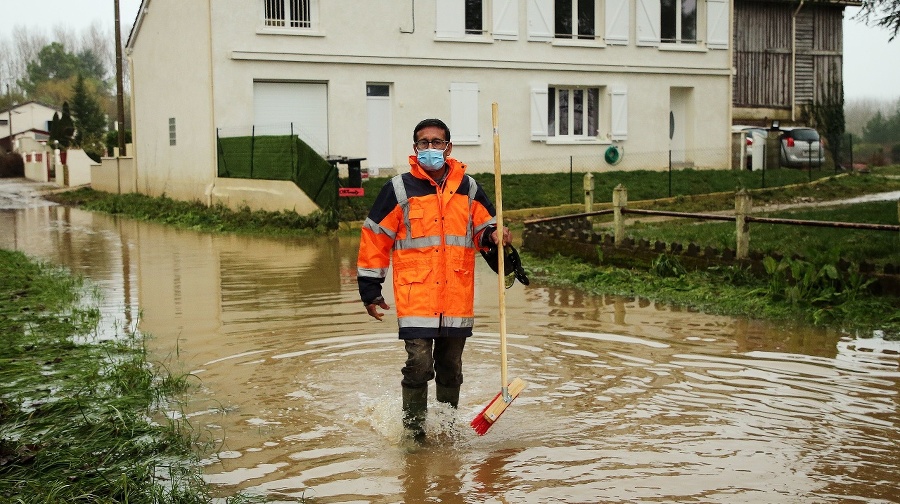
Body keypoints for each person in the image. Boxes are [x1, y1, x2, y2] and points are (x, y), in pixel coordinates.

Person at [357, 118, 511, 442]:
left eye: (436, 142)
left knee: (451, 366)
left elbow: (485, 232)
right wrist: (370, 290)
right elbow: (375, 237)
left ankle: (446, 430)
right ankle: (414, 436)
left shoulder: (469, 189)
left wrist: (496, 236)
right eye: (423, 143)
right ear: (415, 149)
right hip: (418, 299)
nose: (430, 148)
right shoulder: (398, 189)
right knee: (418, 363)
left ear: (448, 147)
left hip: (456, 297)